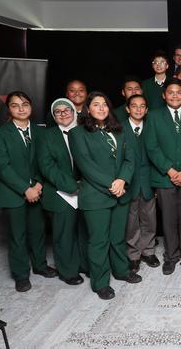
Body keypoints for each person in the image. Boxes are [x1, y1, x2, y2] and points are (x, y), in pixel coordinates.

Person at [68, 92, 142, 300]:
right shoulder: (77, 133)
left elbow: (130, 160)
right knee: (99, 240)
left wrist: (122, 180)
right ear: (88, 109)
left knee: (117, 237)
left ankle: (121, 270)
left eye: (105, 105)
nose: (101, 108)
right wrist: (112, 184)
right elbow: (85, 165)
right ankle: (100, 282)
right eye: (96, 104)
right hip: (96, 195)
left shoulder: (120, 131)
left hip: (120, 192)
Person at [0, 91, 58, 292]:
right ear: (9, 109)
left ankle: (40, 266)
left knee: (38, 232)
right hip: (13, 194)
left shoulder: (41, 132)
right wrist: (24, 188)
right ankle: (20, 274)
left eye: (25, 104)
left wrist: (37, 185)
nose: (21, 108)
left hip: (37, 191)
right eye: (15, 105)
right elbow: (0, 166)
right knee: (17, 236)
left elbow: (45, 162)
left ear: (31, 107)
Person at [143, 78, 181, 276]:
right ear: (164, 95)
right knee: (168, 218)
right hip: (164, 178)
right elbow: (151, 147)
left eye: (179, 92)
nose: (175, 95)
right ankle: (171, 255)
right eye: (171, 92)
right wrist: (169, 170)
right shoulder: (153, 116)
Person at [38, 98, 84, 286]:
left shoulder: (84, 131)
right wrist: (71, 186)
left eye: (67, 110)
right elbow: (47, 166)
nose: (63, 113)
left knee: (83, 231)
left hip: (86, 190)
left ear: (74, 112)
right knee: (64, 234)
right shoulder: (46, 136)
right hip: (59, 192)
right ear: (54, 116)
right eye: (58, 111)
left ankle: (84, 265)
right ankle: (68, 271)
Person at [121, 94, 159, 273]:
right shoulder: (119, 128)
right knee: (131, 220)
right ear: (127, 109)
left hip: (149, 181)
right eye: (134, 106)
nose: (138, 109)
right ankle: (134, 254)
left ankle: (148, 251)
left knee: (149, 219)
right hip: (129, 182)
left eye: (142, 106)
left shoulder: (152, 126)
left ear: (147, 109)